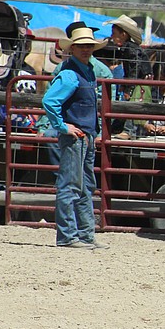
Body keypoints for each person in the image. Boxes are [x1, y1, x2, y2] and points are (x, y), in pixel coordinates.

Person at [41, 26, 109, 249]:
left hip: (85, 135)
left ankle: (84, 234)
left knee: (85, 185)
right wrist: (62, 126)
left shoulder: (85, 70)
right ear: (73, 48)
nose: (86, 49)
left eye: (89, 45)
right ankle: (68, 236)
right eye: (82, 46)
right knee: (72, 185)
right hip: (76, 136)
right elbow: (50, 101)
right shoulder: (71, 73)